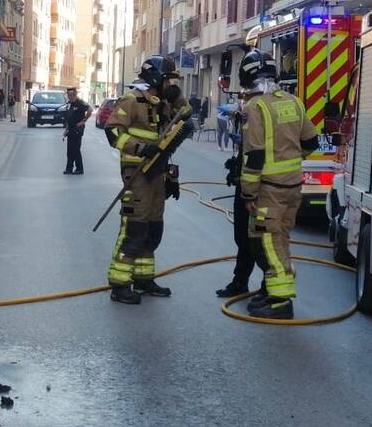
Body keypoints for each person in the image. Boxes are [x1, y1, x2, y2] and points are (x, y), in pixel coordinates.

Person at [238, 48, 320, 319]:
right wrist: (291, 161)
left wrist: (248, 193)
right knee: (280, 240)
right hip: (293, 187)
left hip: (268, 190)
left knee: (266, 243)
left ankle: (280, 300)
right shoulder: (293, 102)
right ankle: (273, 292)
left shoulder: (255, 107)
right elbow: (311, 142)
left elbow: (255, 155)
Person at [104, 56, 194, 304]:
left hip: (157, 174)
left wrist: (176, 96)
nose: (170, 83)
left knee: (153, 229)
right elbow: (113, 132)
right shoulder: (131, 101)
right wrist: (140, 148)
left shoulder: (162, 103)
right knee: (134, 229)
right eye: (168, 79)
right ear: (155, 78)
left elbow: (186, 116)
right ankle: (120, 284)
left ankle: (143, 279)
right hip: (136, 174)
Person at [215, 101, 258, 299]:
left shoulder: (258, 110)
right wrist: (236, 168)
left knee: (260, 241)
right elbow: (246, 151)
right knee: (242, 238)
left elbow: (257, 153)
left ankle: (271, 290)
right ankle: (240, 282)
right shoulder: (250, 110)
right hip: (247, 186)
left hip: (259, 189)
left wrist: (249, 191)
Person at [63, 86, 88, 175]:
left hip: (77, 130)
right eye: (68, 95)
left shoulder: (80, 103)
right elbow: (69, 118)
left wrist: (83, 121)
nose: (68, 97)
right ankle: (69, 168)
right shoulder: (71, 104)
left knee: (76, 150)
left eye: (70, 95)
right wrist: (66, 129)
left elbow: (90, 110)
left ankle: (79, 169)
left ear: (74, 95)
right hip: (71, 129)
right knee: (70, 150)